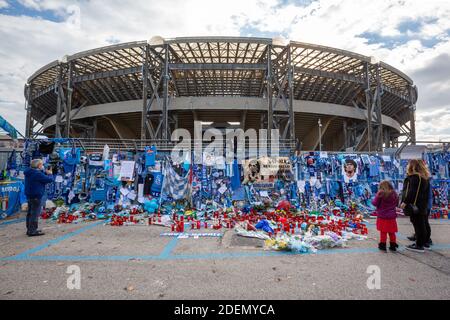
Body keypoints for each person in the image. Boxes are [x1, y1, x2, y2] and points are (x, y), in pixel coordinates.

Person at [400, 159, 430, 253]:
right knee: (423, 224)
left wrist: (405, 201)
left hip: (415, 205)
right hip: (422, 205)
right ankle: (423, 242)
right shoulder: (424, 177)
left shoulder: (414, 178)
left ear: (412, 166)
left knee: (418, 225)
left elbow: (411, 191)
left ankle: (419, 245)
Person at [24, 159, 53, 237]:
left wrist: (44, 172)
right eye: (41, 164)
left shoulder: (29, 171)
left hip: (30, 194)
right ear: (38, 165)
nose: (42, 166)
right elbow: (49, 180)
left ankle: (29, 229)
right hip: (36, 195)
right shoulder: (37, 174)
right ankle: (32, 231)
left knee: (30, 213)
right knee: (34, 214)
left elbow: (39, 177)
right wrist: (50, 174)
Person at [372, 180, 399, 252]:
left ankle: (383, 245)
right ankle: (393, 245)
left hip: (382, 216)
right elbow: (397, 204)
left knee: (383, 232)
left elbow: (375, 203)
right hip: (391, 216)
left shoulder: (381, 193)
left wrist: (375, 198)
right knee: (392, 232)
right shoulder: (394, 194)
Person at [407, 175, 433, 248]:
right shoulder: (426, 180)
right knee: (423, 222)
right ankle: (423, 239)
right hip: (426, 204)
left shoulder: (422, 180)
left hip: (424, 204)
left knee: (422, 223)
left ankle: (424, 241)